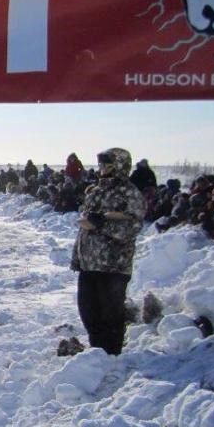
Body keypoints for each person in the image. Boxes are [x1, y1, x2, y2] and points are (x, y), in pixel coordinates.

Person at [70, 148, 146, 356]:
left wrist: (101, 224)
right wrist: (78, 257)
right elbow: (84, 227)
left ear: (120, 166)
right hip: (89, 264)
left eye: (108, 164)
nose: (102, 168)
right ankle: (97, 353)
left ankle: (111, 355)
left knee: (110, 315)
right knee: (88, 312)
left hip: (113, 265)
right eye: (101, 164)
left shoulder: (129, 193)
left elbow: (132, 227)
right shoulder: (95, 191)